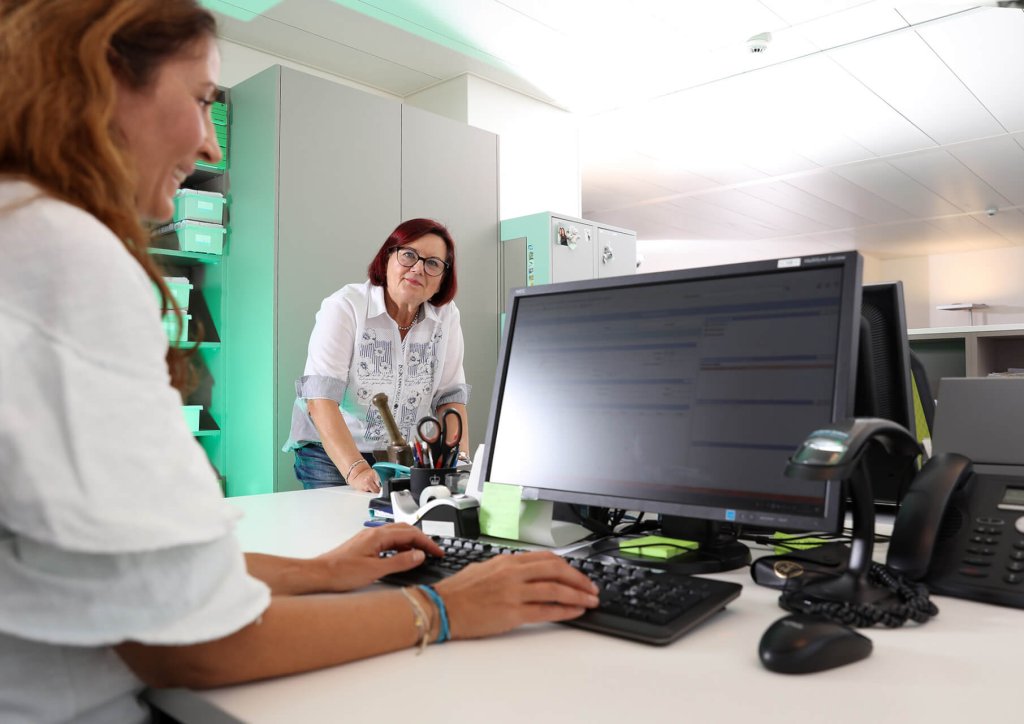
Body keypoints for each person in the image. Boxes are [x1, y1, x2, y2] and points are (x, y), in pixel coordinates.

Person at [0, 2, 599, 722]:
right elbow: (194, 640)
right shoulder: (60, 254)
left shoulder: (25, 234)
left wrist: (322, 572)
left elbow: (140, 575)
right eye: (199, 100)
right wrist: (442, 607)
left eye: (436, 265)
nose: (211, 146)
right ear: (96, 80)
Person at [284, 218, 471, 493]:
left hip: (406, 455)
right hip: (331, 455)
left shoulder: (447, 317)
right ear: (387, 259)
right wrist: (356, 469)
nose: (418, 268)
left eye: (433, 263)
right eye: (408, 255)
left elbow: (449, 401)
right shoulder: (346, 307)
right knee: (344, 530)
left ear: (442, 279)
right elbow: (320, 399)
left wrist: (460, 463)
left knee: (404, 529)